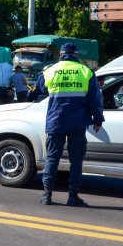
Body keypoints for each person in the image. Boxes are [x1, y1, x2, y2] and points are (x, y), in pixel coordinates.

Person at [38, 42, 104, 207]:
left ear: (61, 55)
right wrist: (98, 120)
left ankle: (47, 195)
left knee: (52, 158)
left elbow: (41, 89)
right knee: (76, 160)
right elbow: (95, 99)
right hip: (77, 122)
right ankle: (72, 196)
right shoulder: (85, 71)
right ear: (76, 55)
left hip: (56, 121)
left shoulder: (49, 70)